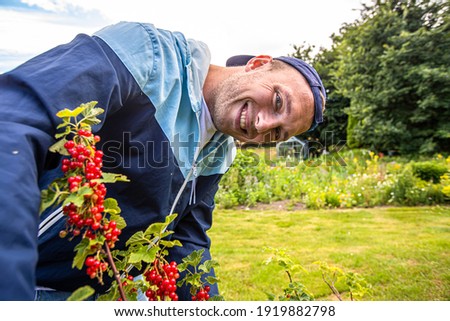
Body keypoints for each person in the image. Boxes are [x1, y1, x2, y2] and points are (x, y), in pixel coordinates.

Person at [0, 21, 326, 301]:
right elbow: (15, 122)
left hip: (102, 289)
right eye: (277, 101)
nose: (262, 126)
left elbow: (185, 239)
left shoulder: (220, 149)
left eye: (278, 134)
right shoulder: (150, 55)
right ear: (258, 64)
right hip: (29, 281)